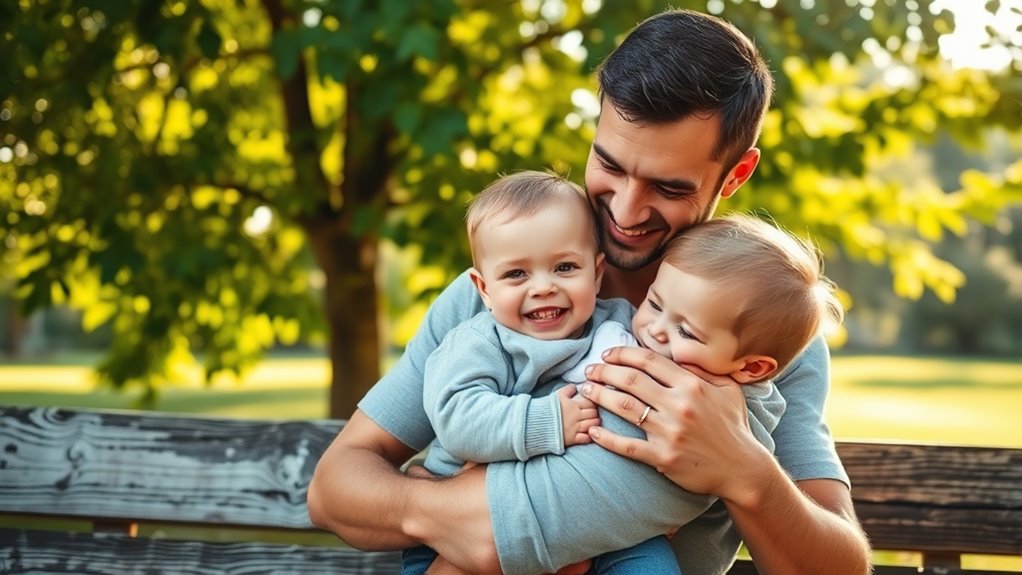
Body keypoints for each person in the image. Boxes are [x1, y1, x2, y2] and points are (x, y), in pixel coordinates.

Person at [308, 8, 872, 575]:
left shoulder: (761, 334)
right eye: (609, 164)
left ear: (735, 174)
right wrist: (444, 513)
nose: (625, 211)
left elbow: (843, 566)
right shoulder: (498, 300)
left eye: (668, 186)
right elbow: (335, 489)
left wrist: (746, 472)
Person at [404, 170, 681, 574]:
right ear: (483, 289)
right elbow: (455, 417)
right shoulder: (481, 342)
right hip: (466, 530)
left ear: (597, 272)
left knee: (653, 564)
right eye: (516, 274)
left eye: (565, 268)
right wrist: (545, 421)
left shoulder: (621, 324)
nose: (543, 287)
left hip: (598, 523)